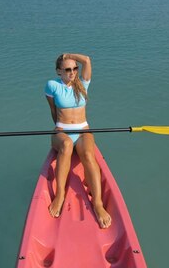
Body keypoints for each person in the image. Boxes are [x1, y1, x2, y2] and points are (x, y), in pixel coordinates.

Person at [44, 53, 112, 229]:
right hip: (62, 131)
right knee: (66, 145)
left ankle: (97, 203)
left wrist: (68, 55)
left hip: (83, 130)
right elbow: (53, 111)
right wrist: (59, 130)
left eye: (75, 68)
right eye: (67, 69)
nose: (72, 72)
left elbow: (87, 60)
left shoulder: (82, 84)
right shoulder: (52, 86)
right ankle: (60, 196)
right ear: (59, 71)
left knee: (89, 154)